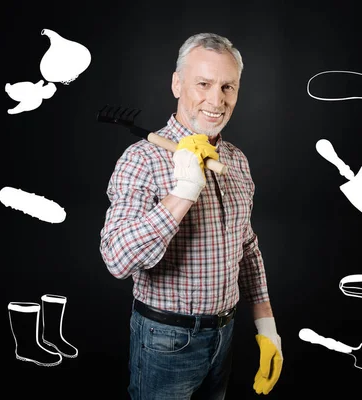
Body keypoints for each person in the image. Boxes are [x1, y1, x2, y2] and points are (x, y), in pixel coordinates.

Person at [99, 33, 282, 400]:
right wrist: (182, 192)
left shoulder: (235, 160)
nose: (217, 100)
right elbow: (117, 260)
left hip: (226, 334)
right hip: (167, 341)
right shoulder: (142, 159)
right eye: (204, 84)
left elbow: (246, 247)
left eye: (228, 86)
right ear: (177, 84)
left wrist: (267, 327)